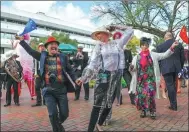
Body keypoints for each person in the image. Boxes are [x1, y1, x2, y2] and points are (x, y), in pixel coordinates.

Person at [76, 25, 134, 131]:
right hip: (103, 75)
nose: (98, 36)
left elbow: (130, 31)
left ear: (106, 34)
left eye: (100, 33)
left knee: (109, 103)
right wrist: (83, 78)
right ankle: (90, 129)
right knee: (98, 102)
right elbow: (93, 64)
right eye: (97, 35)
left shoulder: (117, 44)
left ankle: (99, 124)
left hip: (115, 76)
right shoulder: (98, 47)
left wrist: (116, 27)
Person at [16, 35, 77, 132]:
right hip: (48, 90)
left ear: (57, 47)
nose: (53, 45)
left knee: (65, 114)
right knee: (52, 114)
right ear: (47, 47)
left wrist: (76, 79)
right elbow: (31, 51)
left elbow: (70, 70)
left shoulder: (63, 57)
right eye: (51, 44)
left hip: (61, 90)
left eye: (55, 44)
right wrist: (22, 41)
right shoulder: (42, 56)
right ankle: (57, 129)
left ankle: (58, 125)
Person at [129, 37, 178, 119]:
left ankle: (152, 111)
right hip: (140, 81)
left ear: (148, 45)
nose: (144, 46)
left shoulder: (153, 55)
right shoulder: (137, 57)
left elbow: (164, 55)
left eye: (146, 45)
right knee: (142, 96)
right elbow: (133, 69)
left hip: (150, 80)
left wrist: (171, 47)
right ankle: (143, 111)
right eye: (143, 45)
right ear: (140, 46)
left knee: (150, 95)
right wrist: (131, 67)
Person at [156, 32, 185, 111]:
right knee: (174, 85)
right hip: (177, 67)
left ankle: (173, 105)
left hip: (166, 68)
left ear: (165, 38)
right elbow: (182, 58)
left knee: (170, 86)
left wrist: (160, 69)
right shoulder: (179, 45)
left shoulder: (160, 46)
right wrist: (180, 67)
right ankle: (173, 103)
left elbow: (158, 59)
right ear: (172, 37)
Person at [13, 33, 36, 100]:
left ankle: (32, 94)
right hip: (19, 62)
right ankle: (17, 94)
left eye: (23, 36)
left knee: (30, 79)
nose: (22, 37)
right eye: (21, 36)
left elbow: (30, 50)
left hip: (28, 62)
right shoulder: (17, 41)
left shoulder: (27, 42)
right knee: (18, 79)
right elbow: (14, 47)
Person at [31, 43, 46, 107]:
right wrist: (34, 73)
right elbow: (34, 65)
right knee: (37, 87)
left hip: (45, 72)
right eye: (40, 46)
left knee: (45, 87)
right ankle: (39, 102)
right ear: (38, 48)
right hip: (38, 73)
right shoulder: (35, 56)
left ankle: (45, 101)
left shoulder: (46, 55)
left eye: (43, 46)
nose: (41, 47)